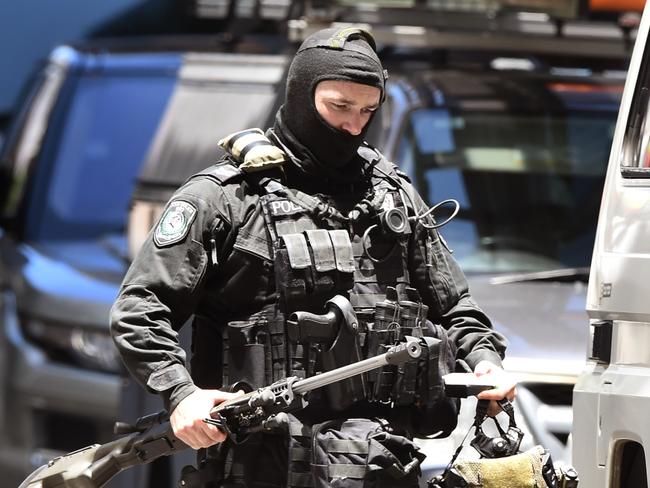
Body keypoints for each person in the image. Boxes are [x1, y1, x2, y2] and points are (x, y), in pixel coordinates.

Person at [110, 27, 517, 488]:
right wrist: (182, 395)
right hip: (259, 464)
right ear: (303, 96)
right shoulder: (226, 197)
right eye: (339, 106)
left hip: (378, 464)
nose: (353, 125)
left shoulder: (393, 196)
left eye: (367, 110)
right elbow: (139, 310)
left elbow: (457, 309)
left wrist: (485, 361)